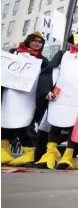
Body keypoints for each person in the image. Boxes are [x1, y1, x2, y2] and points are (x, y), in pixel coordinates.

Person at [34, 28, 78, 170]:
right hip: (59, 93)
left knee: (74, 125)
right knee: (54, 121)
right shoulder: (62, 53)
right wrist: (47, 90)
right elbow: (51, 70)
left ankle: (68, 156)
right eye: (76, 38)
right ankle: (50, 152)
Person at [1, 31, 49, 166]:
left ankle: (29, 152)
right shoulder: (13, 54)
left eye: (40, 42)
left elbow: (47, 78)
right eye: (35, 40)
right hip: (10, 94)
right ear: (28, 40)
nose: (37, 44)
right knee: (5, 119)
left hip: (28, 97)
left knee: (25, 122)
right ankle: (3, 150)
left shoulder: (43, 61)